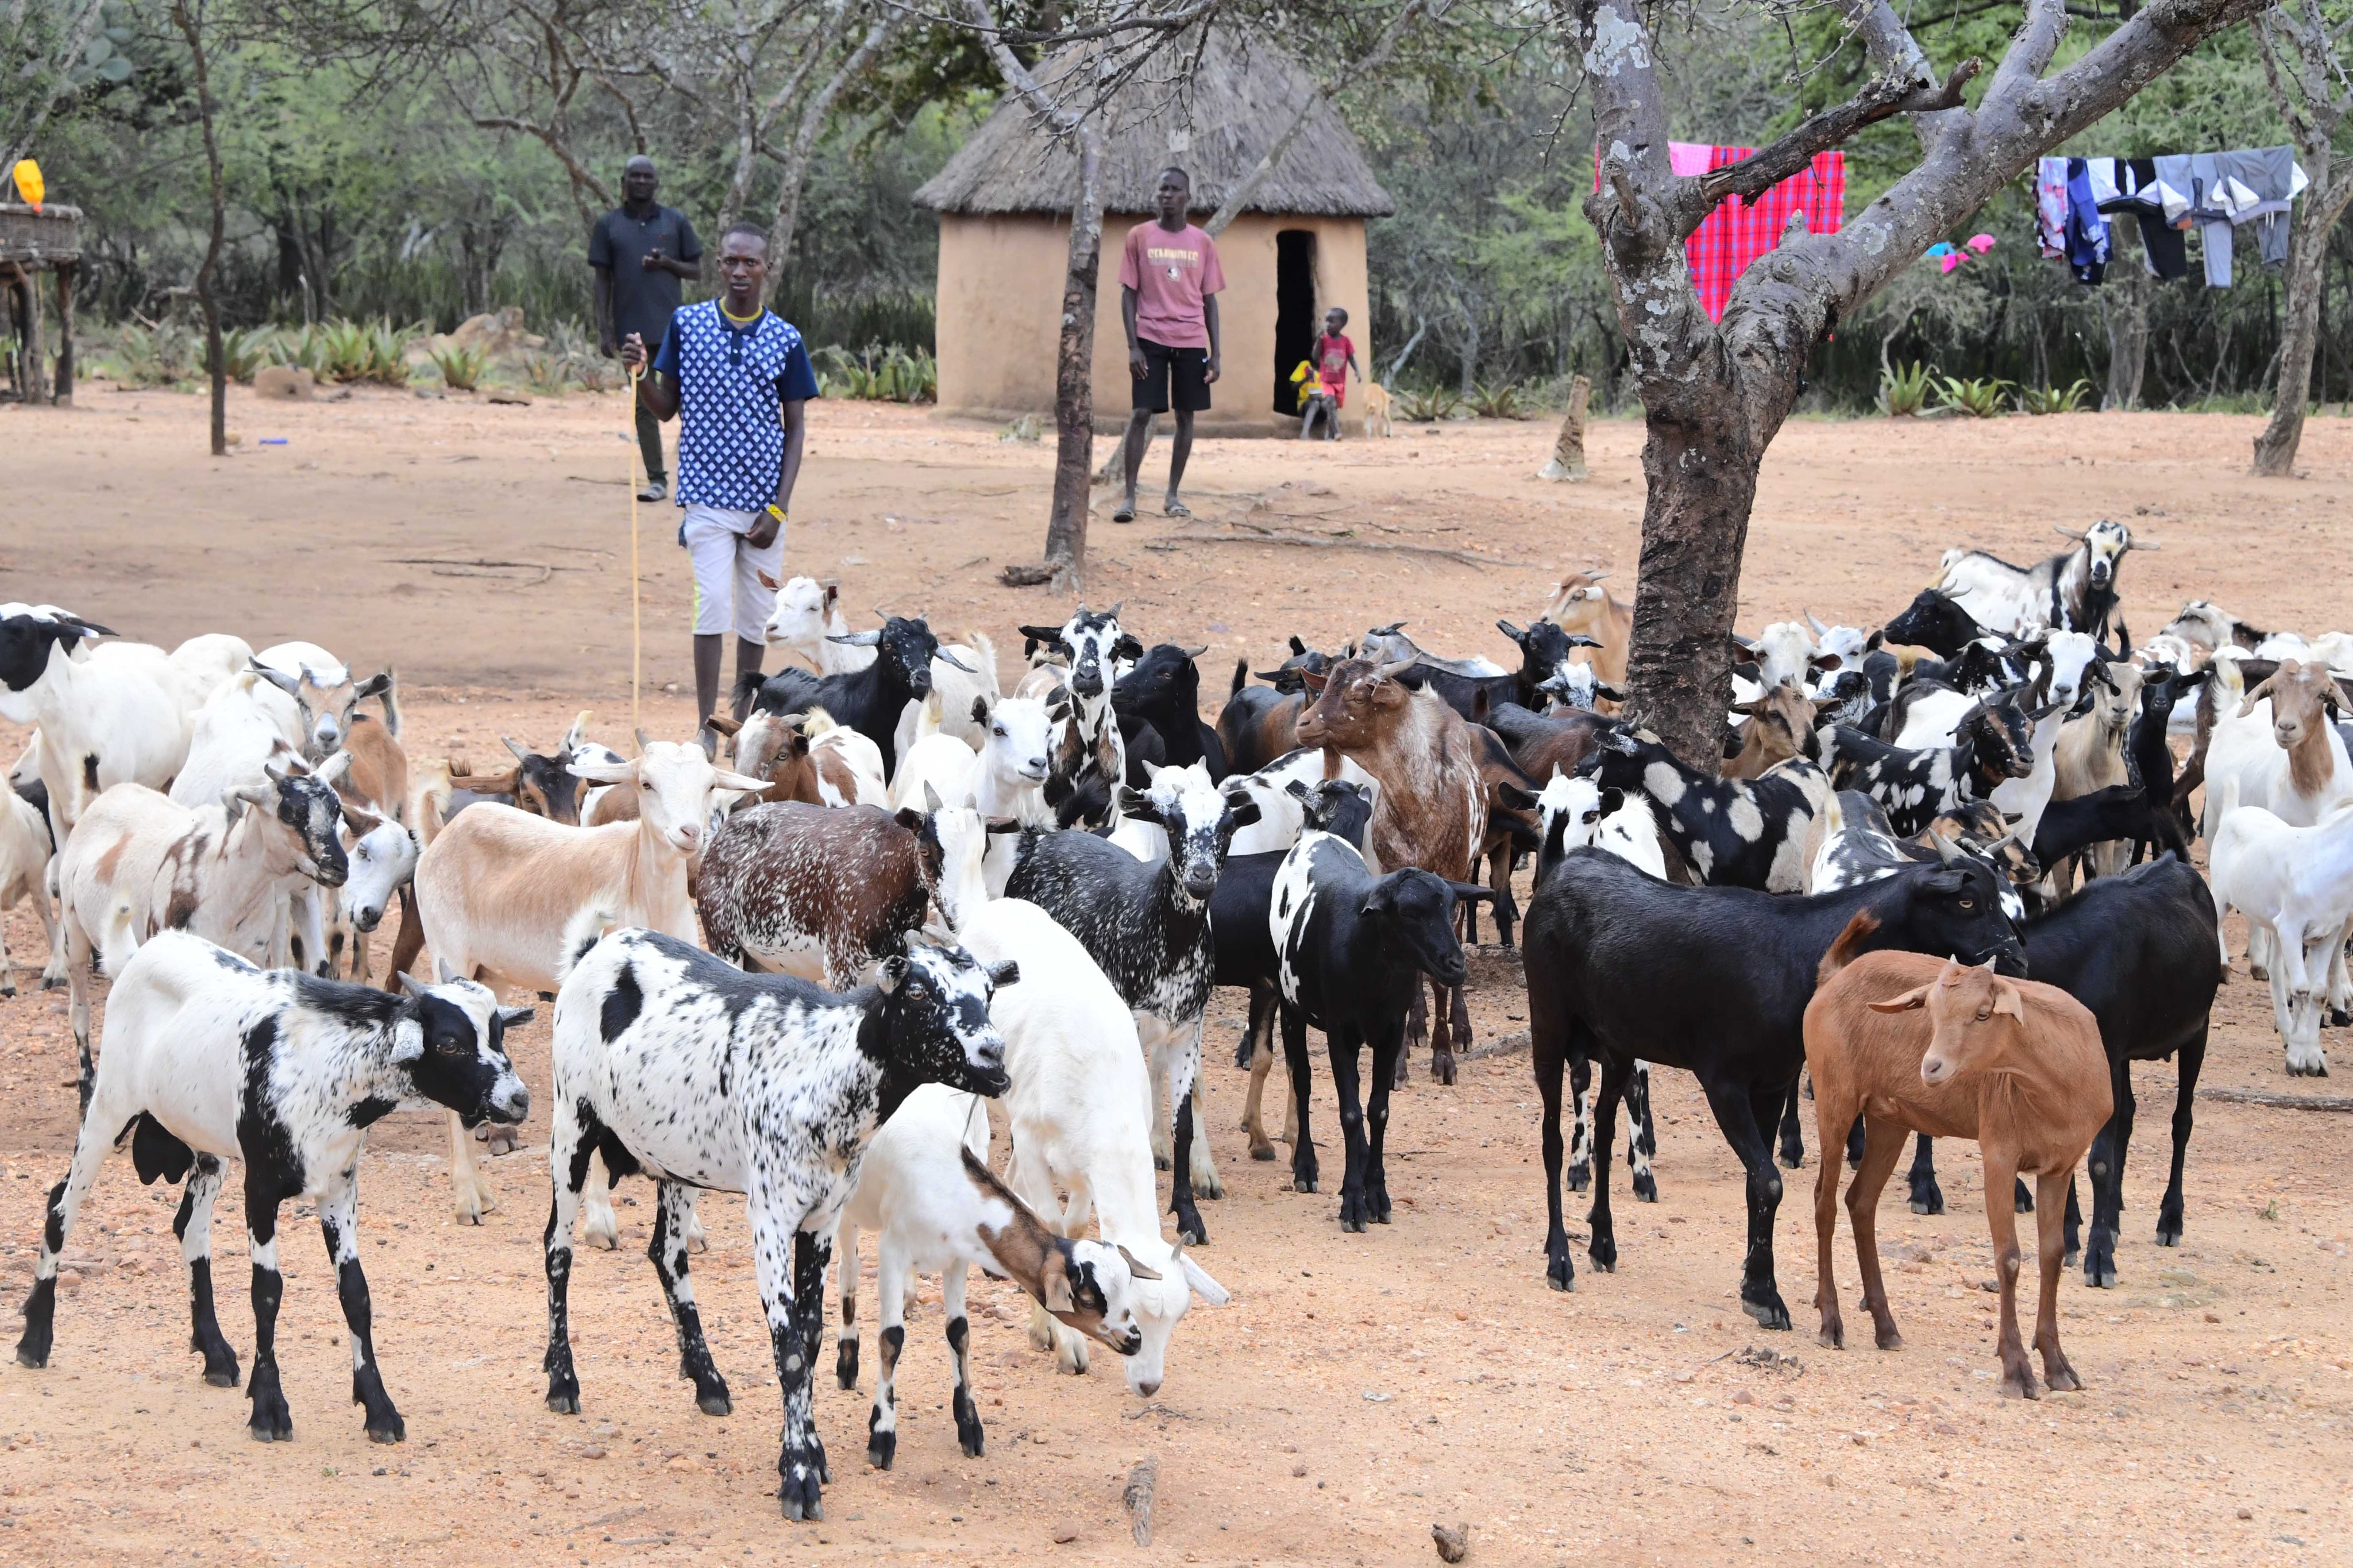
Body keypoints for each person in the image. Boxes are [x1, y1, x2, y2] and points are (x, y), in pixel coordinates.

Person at [620, 223, 819, 755]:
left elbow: (796, 428)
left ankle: (741, 721)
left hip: (763, 504)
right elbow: (666, 410)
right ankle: (707, 725)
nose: (738, 272)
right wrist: (641, 374)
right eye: (730, 262)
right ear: (718, 265)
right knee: (711, 604)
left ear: (765, 269)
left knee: (758, 617)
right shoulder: (687, 325)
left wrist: (779, 507)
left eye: (749, 263)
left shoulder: (786, 339)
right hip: (705, 497)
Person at [1114, 166, 1224, 523]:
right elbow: (1128, 293)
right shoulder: (1139, 237)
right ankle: (1129, 496)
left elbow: (1210, 301)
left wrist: (1216, 354)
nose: (1167, 195)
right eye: (1162, 189)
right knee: (1142, 413)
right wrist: (1133, 345)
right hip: (1150, 339)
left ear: (1188, 197)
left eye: (1175, 190)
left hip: (1192, 341)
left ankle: (1173, 495)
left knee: (1186, 417)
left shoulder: (1202, 242)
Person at [591, 156, 702, 503]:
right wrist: (604, 330)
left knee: (692, 405)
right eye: (635, 176)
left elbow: (697, 270)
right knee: (643, 406)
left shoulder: (675, 222)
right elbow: (601, 280)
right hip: (631, 334)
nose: (641, 182)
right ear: (623, 181)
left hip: (676, 330)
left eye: (648, 177)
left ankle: (698, 480)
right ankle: (657, 480)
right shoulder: (608, 226)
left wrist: (667, 263)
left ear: (657, 183)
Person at [1301, 307, 1360, 441]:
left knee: (1333, 408)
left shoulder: (1346, 341)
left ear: (1342, 324)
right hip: (1326, 380)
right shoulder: (1324, 340)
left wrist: (1357, 372)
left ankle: (1330, 435)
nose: (1328, 324)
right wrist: (1319, 340)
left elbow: (1352, 358)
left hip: (1340, 382)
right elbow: (1315, 357)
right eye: (1326, 321)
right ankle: (1338, 432)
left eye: (1332, 322)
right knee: (1329, 401)